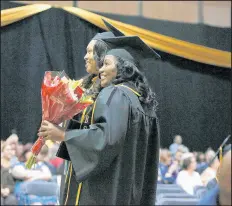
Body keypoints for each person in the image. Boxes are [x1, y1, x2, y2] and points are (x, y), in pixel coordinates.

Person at [38, 34, 160, 205]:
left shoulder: (114, 94)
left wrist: (63, 135)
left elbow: (105, 139)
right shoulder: (143, 103)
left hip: (102, 191)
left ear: (124, 68)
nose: (101, 69)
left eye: (107, 64)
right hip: (126, 191)